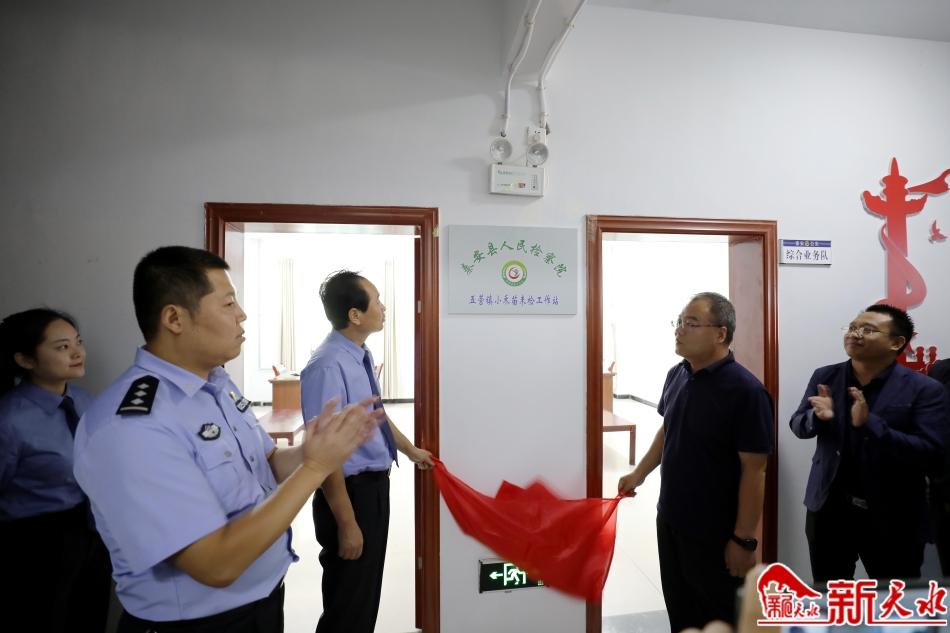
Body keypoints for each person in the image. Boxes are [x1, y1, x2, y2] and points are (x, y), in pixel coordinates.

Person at [72, 246, 382, 633]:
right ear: (174, 318)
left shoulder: (216, 384)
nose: (242, 314)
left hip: (263, 602)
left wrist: (309, 450)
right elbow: (215, 564)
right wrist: (316, 467)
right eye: (229, 303)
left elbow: (266, 463)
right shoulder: (132, 426)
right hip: (200, 624)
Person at [618, 292, 773, 633]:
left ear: (720, 333)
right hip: (671, 518)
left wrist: (744, 540)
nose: (679, 330)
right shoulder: (677, 374)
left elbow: (755, 470)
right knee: (680, 610)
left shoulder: (747, 392)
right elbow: (667, 429)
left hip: (714, 531)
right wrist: (639, 473)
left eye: (690, 323)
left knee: (718, 617)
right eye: (678, 322)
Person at [300, 270, 434, 633]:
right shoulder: (327, 365)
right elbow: (324, 454)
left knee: (364, 595)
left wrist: (409, 450)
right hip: (349, 495)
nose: (383, 307)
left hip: (373, 489)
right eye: (377, 301)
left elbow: (376, 414)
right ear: (355, 315)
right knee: (348, 604)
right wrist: (347, 523)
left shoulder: (358, 353)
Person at [790, 303, 948, 583]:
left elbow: (931, 452)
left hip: (894, 516)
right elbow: (798, 424)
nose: (855, 334)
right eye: (852, 327)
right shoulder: (825, 376)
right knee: (832, 597)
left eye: (868, 330)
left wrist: (871, 424)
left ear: (896, 343)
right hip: (829, 510)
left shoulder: (925, 389)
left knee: (894, 601)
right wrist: (817, 417)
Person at [0, 308, 112, 632]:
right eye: (63, 347)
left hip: (92, 532)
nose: (77, 353)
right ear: (25, 360)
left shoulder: (87, 401)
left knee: (90, 619)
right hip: (36, 543)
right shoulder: (9, 419)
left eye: (78, 342)